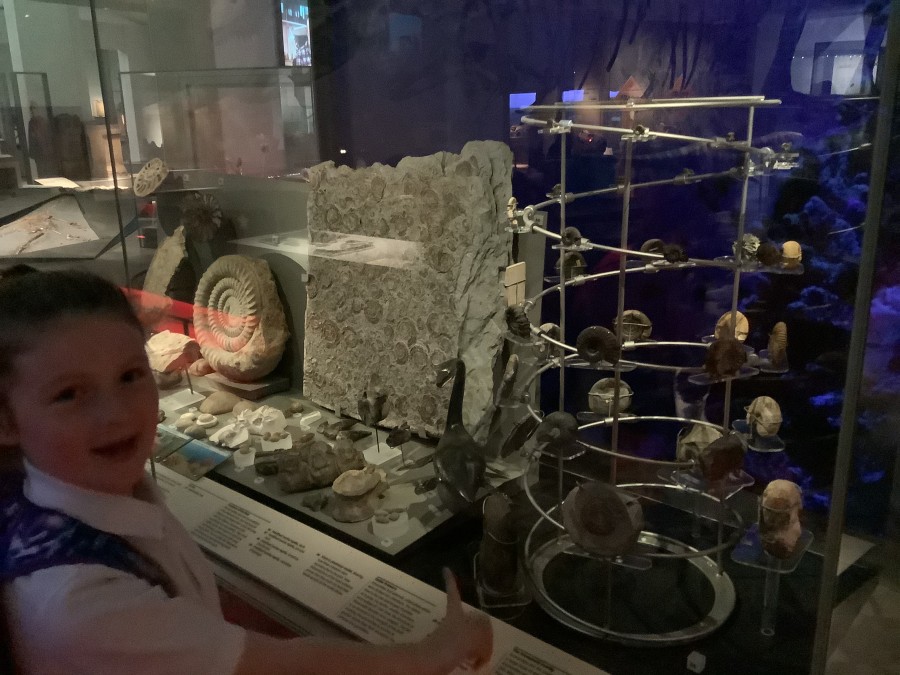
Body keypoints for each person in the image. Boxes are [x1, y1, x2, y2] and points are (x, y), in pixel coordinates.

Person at [0, 265, 492, 675]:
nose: (116, 414)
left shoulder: (104, 493)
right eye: (69, 393)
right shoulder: (81, 606)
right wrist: (429, 654)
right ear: (6, 419)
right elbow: (277, 664)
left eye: (130, 375)